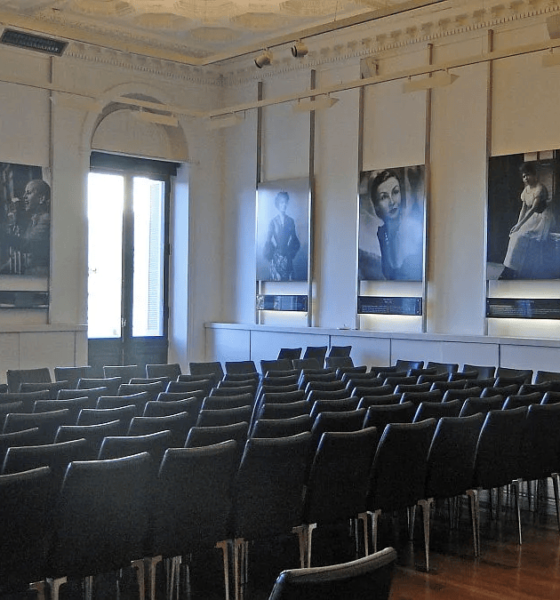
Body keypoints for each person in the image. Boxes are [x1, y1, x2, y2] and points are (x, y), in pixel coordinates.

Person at [500, 162, 555, 279]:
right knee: (515, 235)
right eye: (524, 176)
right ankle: (510, 268)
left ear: (534, 175)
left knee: (521, 236)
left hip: (542, 218)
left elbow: (534, 208)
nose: (526, 178)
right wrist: (518, 225)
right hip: (531, 217)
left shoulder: (540, 188)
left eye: (528, 175)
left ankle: (515, 270)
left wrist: (521, 224)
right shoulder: (526, 190)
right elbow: (523, 209)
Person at [367, 169, 423, 281]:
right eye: (384, 197)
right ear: (376, 205)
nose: (392, 202)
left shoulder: (415, 229)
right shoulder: (380, 234)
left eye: (395, 192)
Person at [263, 191, 301, 281]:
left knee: (289, 283)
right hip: (276, 258)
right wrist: (273, 256)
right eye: (281, 202)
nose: (284, 205)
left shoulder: (290, 221)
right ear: (278, 204)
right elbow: (268, 241)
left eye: (285, 202)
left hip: (287, 257)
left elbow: (295, 240)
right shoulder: (273, 222)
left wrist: (290, 253)